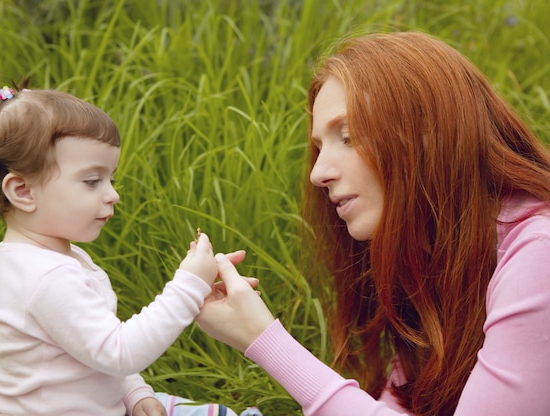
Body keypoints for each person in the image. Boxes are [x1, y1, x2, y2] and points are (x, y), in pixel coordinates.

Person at [196, 31, 550, 415]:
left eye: (347, 137)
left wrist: (264, 339)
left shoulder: (539, 255)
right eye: (319, 148)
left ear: (430, 134)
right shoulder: (439, 254)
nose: (318, 173)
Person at [0, 72, 246, 416]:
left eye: (110, 179)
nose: (113, 194)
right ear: (24, 192)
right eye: (92, 181)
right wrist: (188, 286)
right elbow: (118, 351)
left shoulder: (52, 258)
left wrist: (135, 392)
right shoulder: (46, 277)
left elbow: (92, 349)